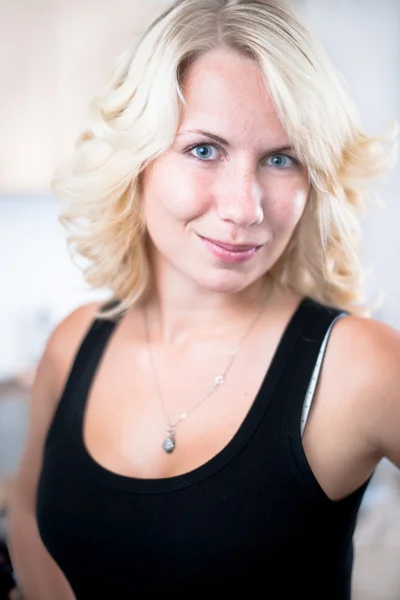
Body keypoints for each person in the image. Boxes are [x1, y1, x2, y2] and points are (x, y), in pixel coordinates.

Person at [7, 0, 400, 598]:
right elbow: (32, 514)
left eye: (280, 158)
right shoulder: (73, 342)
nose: (244, 208)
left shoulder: (359, 365)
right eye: (204, 150)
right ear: (137, 161)